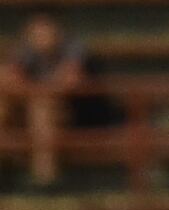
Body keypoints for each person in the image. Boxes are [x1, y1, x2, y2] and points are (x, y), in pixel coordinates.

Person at [14, 11, 112, 190]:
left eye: (44, 33)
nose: (39, 38)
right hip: (41, 110)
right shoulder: (27, 54)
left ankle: (45, 182)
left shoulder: (76, 50)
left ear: (57, 32)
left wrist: (34, 90)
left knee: (41, 108)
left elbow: (69, 82)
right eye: (34, 34)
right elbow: (9, 78)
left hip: (84, 116)